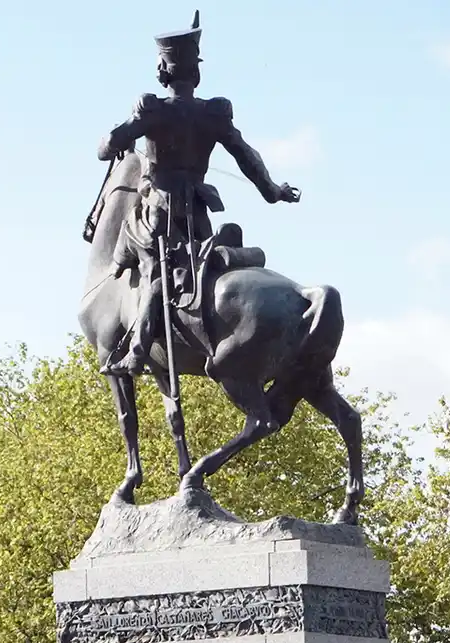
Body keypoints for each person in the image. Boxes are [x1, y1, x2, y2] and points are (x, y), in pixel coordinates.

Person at [95, 11, 299, 377]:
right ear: (196, 72)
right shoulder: (213, 113)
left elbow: (107, 147)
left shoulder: (154, 111)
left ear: (162, 70)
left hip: (157, 212)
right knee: (195, 273)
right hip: (197, 212)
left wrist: (128, 122)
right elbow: (247, 157)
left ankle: (137, 351)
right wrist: (273, 192)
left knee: (153, 273)